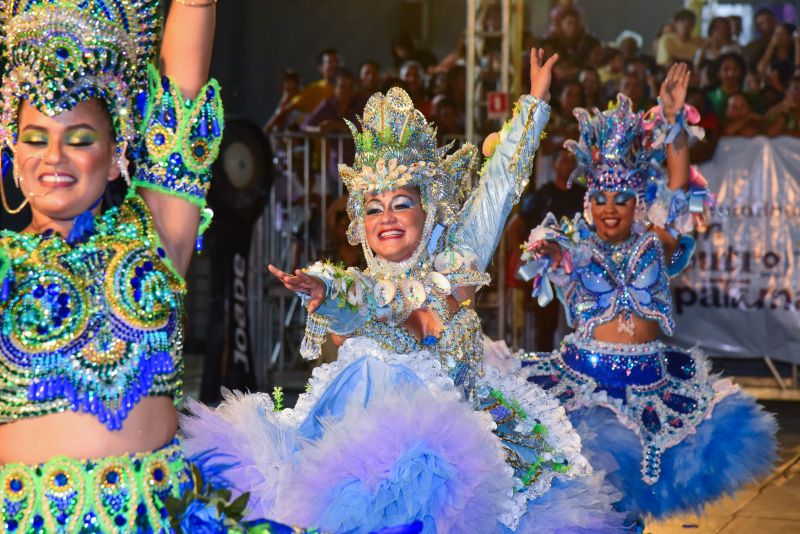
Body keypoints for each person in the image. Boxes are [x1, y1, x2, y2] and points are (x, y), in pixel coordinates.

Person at [183, 50, 627, 533]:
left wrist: (534, 102)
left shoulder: (456, 261)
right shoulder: (368, 286)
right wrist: (321, 288)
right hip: (363, 462)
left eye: (400, 203)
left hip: (456, 457)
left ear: (428, 209)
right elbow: (349, 296)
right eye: (373, 209)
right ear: (361, 223)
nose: (387, 217)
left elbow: (501, 184)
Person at [0, 1, 312, 532]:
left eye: (79, 139)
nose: (54, 157)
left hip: (161, 516)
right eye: (36, 138)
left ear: (118, 148)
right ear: (11, 144)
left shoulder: (155, 239)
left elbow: (183, 88)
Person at [519, 64, 777, 527]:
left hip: (653, 385)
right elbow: (541, 260)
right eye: (600, 199)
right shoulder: (573, 246)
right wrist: (548, 251)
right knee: (598, 504)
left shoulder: (655, 242)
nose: (610, 209)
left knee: (634, 509)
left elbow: (679, 189)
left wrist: (675, 119)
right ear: (588, 203)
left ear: (637, 202)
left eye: (620, 199)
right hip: (587, 389)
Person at [519, 148, 585, 352]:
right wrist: (525, 252)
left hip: (575, 267)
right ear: (554, 165)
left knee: (578, 319)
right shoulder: (541, 195)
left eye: (571, 161)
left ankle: (577, 360)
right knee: (545, 322)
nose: (568, 165)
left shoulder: (583, 195)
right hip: (546, 267)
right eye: (564, 160)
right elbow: (517, 226)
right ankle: (543, 365)